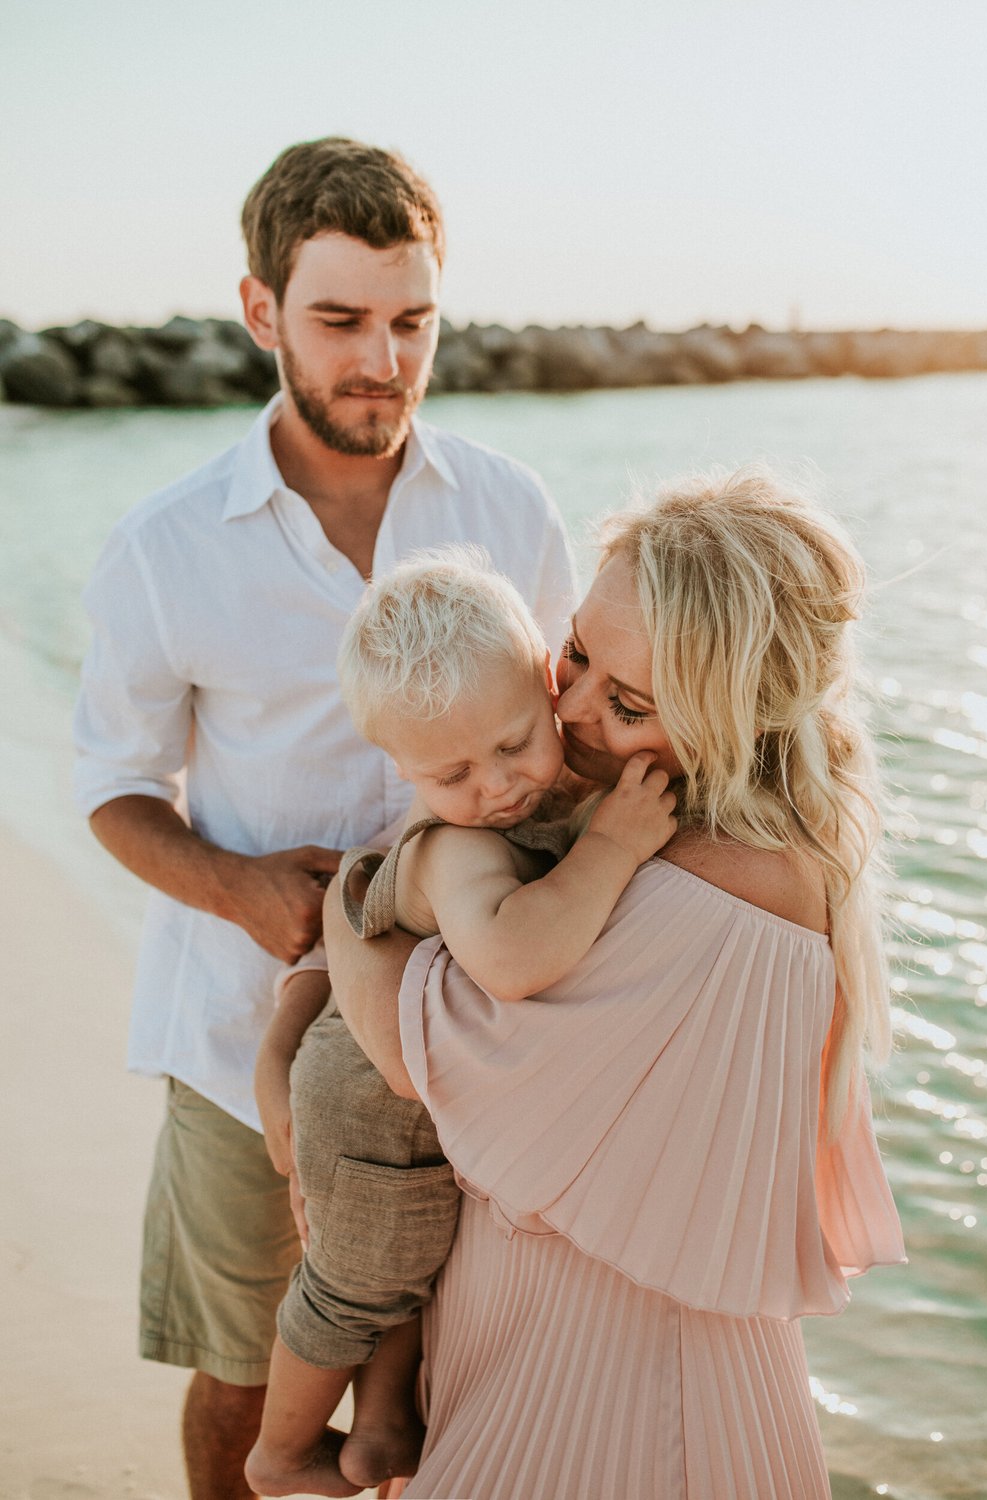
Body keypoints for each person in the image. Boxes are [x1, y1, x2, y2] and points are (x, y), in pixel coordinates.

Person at [72, 137, 575, 1499]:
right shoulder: (167, 547)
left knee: (442, 1375)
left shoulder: (510, 511)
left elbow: (569, 737)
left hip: (461, 1041)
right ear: (259, 314)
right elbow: (112, 789)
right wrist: (238, 885)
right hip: (239, 1036)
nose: (384, 362)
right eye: (341, 321)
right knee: (247, 1378)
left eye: (412, 322)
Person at [323, 467, 907, 1499]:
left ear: (733, 715)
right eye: (578, 653)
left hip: (611, 1392)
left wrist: (354, 900)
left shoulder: (715, 893)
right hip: (543, 1344)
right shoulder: (672, 833)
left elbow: (425, 1056)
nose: (573, 709)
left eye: (628, 702)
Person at [246, 550, 676, 1496]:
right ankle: (279, 1454)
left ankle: (380, 1430)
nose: (497, 788)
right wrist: (611, 843)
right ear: (400, 773)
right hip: (366, 1111)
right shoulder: (460, 847)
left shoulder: (523, 795)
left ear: (547, 683)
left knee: (416, 1274)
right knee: (358, 1283)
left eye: (517, 744)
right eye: (452, 773)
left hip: (403, 1105)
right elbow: (515, 957)